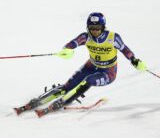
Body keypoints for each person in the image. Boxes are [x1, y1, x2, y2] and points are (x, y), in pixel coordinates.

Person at [15, 12, 147, 115]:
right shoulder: (86, 36)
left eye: (98, 28)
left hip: (108, 72)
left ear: (103, 27)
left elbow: (125, 49)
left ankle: (63, 102)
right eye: (92, 28)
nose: (95, 31)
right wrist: (66, 50)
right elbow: (73, 43)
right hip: (91, 65)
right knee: (67, 86)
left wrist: (134, 60)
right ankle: (37, 101)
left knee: (88, 80)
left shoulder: (113, 37)